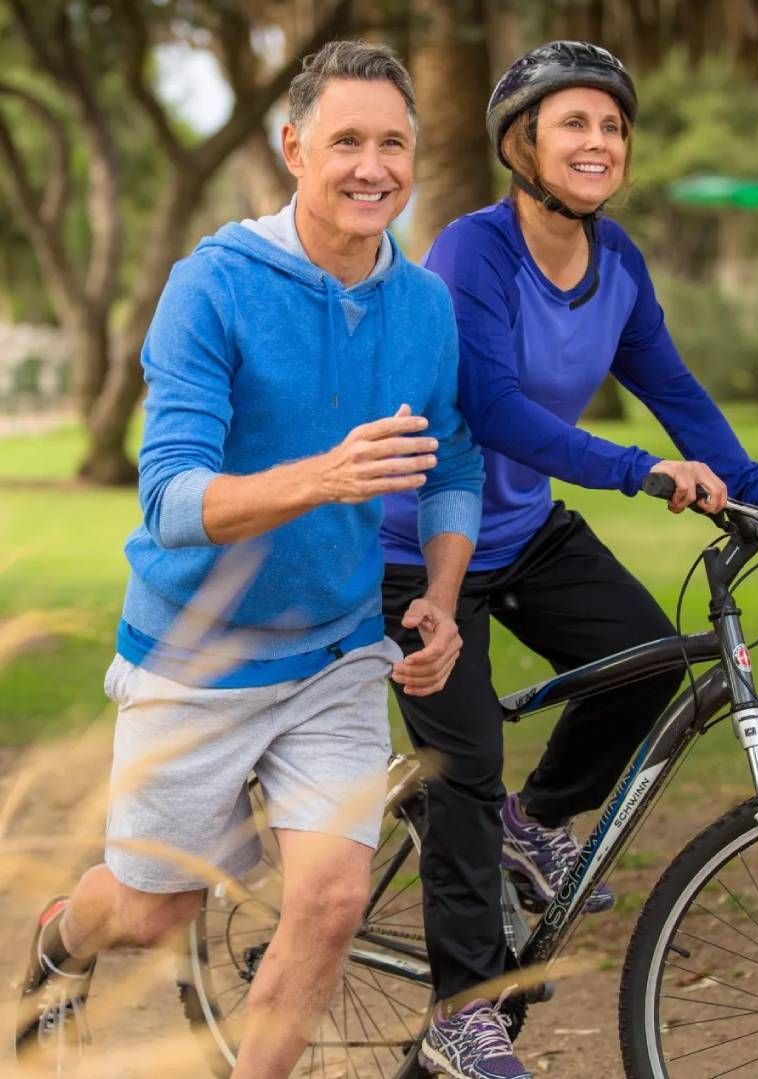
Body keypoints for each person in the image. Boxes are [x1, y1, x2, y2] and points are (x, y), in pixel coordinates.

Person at [15, 41, 485, 1079]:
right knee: (151, 908)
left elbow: (454, 461)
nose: (373, 168)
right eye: (347, 141)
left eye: (393, 143)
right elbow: (170, 498)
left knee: (329, 897)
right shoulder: (212, 287)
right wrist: (323, 477)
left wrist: (443, 598)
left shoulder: (424, 306)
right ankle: (61, 934)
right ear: (292, 148)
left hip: (335, 654)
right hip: (197, 653)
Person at [381, 40, 758, 1079]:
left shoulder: (618, 263)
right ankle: (460, 1012)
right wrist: (636, 470)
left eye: (611, 125)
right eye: (574, 123)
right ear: (521, 143)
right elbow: (491, 408)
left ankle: (540, 818)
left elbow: (678, 390)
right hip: (420, 538)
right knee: (466, 766)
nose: (598, 141)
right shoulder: (474, 251)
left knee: (652, 661)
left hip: (522, 528)